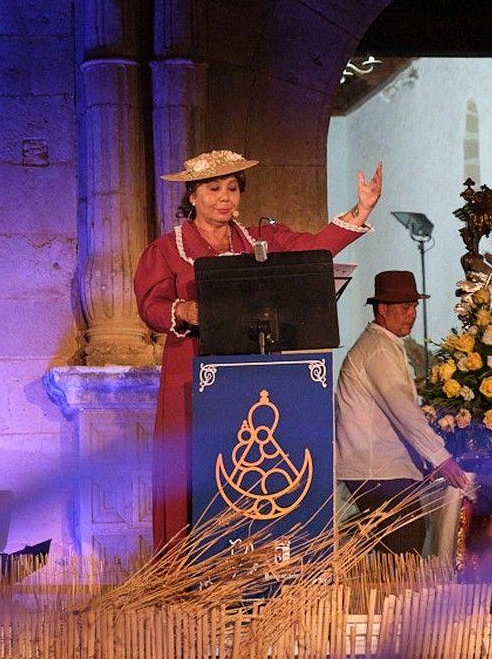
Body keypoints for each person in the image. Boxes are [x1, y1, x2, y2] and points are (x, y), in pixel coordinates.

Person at [134, 149, 382, 548]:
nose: (224, 197)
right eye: (213, 189)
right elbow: (151, 306)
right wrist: (184, 309)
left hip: (254, 373)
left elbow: (314, 247)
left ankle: (253, 560)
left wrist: (361, 210)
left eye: (232, 188)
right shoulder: (167, 250)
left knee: (254, 470)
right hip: (191, 371)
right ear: (192, 196)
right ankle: (188, 569)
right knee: (195, 467)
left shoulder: (262, 240)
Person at [335, 270, 470, 554]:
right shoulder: (378, 349)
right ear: (382, 310)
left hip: (382, 468)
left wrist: (424, 461)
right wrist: (440, 459)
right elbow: (403, 411)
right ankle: (395, 599)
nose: (412, 314)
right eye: (405, 307)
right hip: (377, 470)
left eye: (414, 307)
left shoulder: (384, 345)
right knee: (404, 550)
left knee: (403, 546)